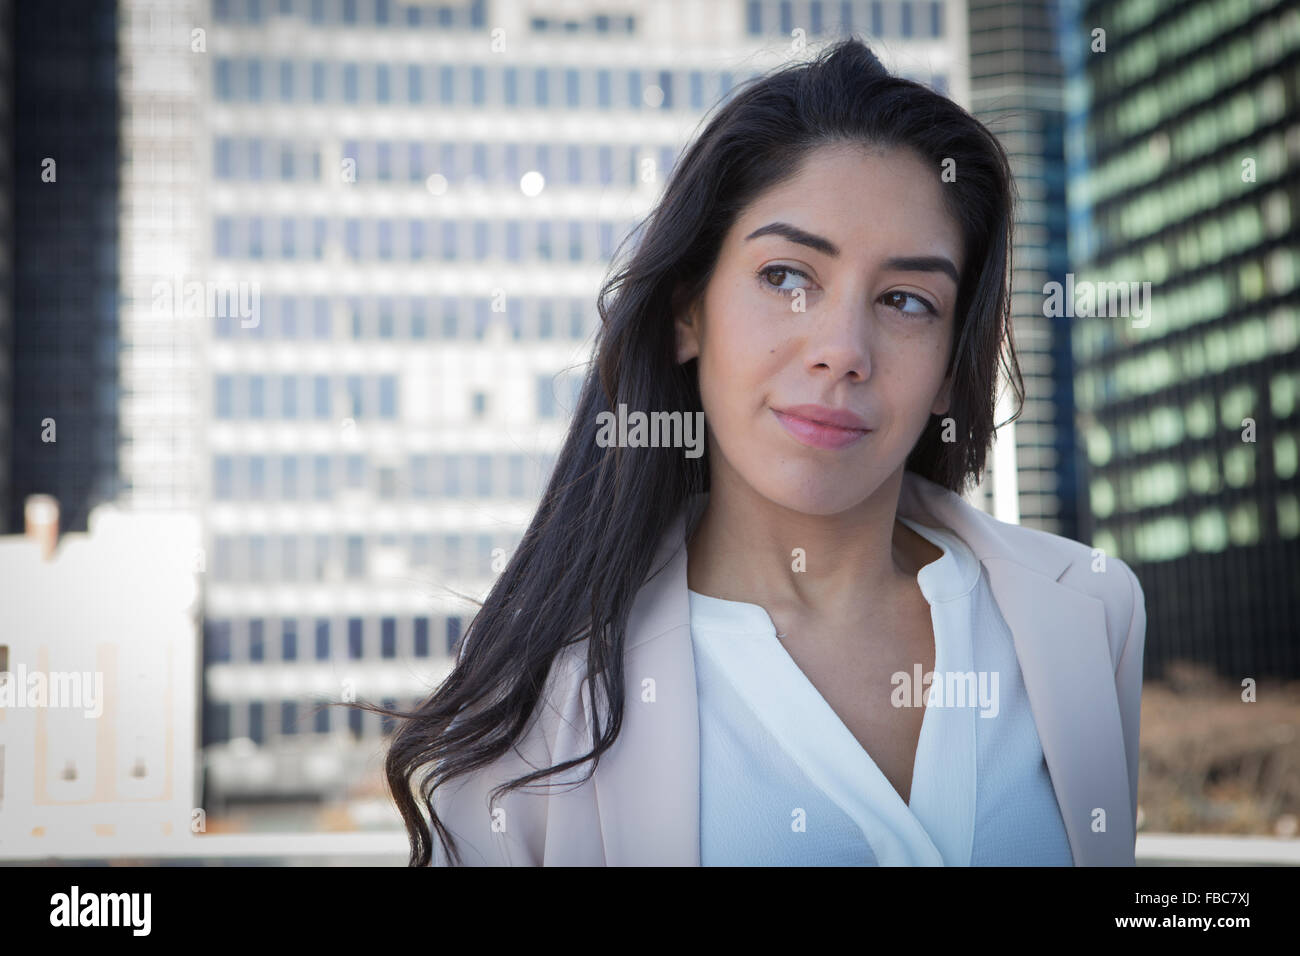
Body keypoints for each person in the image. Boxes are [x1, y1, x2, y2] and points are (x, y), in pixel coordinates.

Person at [373, 36, 1146, 866]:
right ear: (685, 314)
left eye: (907, 300)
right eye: (786, 277)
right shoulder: (536, 700)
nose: (842, 347)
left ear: (953, 372)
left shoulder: (1086, 616)